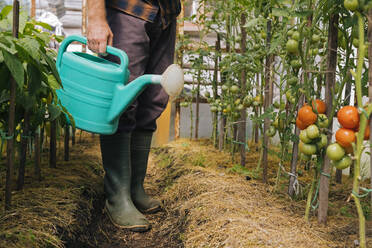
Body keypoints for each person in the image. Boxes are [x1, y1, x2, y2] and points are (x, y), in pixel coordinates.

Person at [86, 0, 181, 232]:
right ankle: (117, 197)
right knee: (123, 99)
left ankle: (134, 188)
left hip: (165, 15)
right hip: (127, 10)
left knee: (153, 99)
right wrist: (96, 16)